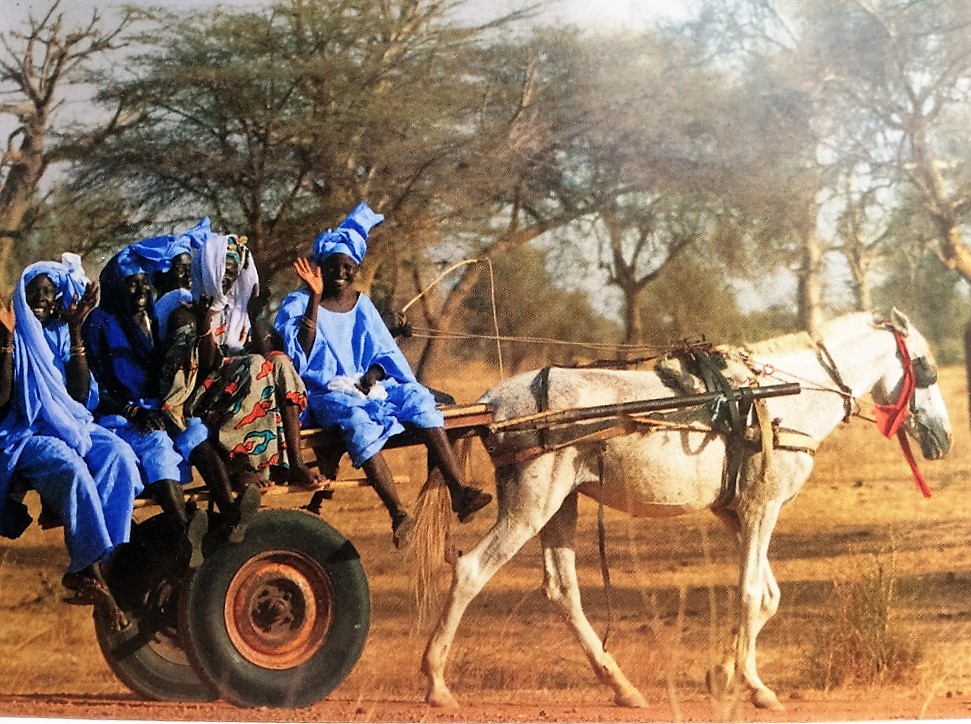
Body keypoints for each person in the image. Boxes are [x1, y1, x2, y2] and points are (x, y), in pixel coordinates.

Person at [274, 201, 492, 549]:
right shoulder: (297, 304)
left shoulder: (362, 304)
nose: (341, 274)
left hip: (369, 387)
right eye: (333, 267)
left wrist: (372, 377)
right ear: (320, 269)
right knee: (357, 422)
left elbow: (382, 355)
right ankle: (398, 514)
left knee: (420, 399)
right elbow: (300, 351)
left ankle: (459, 491)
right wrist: (314, 298)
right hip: (326, 393)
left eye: (348, 267)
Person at [0, 256, 142, 632]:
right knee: (72, 470)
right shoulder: (8, 332)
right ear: (21, 298)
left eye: (50, 292)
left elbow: (78, 397)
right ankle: (87, 570)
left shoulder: (62, 332)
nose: (44, 299)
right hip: (26, 431)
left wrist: (76, 329)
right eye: (36, 293)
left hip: (70, 422)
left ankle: (105, 561)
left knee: (119, 456)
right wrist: (8, 343)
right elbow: (3, 403)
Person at [161, 230, 322, 500]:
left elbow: (268, 352)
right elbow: (204, 368)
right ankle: (242, 468)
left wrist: (253, 314)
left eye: (232, 273)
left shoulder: (237, 313)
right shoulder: (184, 313)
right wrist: (204, 327)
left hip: (237, 388)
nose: (226, 279)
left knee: (279, 361)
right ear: (208, 270)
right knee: (255, 365)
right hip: (199, 397)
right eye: (221, 270)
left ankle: (295, 462)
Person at [83, 240, 214, 561]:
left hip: (155, 408)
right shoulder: (100, 323)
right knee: (156, 444)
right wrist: (132, 410)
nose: (140, 289)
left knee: (195, 430)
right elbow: (93, 389)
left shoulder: (153, 318)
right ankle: (186, 535)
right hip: (119, 417)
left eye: (145, 282)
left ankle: (230, 511)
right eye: (131, 284)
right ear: (116, 287)